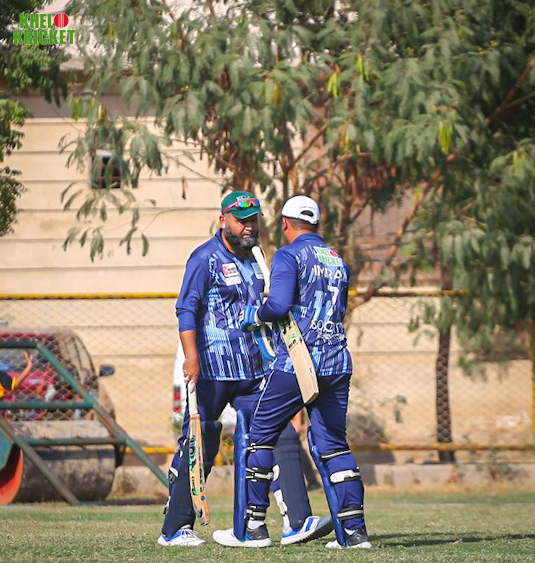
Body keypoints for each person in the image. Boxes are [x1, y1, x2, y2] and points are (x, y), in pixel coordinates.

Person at [158, 191, 331, 547]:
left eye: (253, 220)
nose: (249, 226)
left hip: (254, 369)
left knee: (278, 432)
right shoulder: (204, 258)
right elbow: (186, 309)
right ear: (223, 220)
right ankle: (175, 528)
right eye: (242, 221)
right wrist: (191, 357)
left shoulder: (257, 257)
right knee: (201, 441)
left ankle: (297, 521)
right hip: (212, 370)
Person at [213, 195, 372, 549]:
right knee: (334, 444)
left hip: (298, 363)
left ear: (285, 224)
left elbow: (279, 305)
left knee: (259, 436)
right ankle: (355, 533)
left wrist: (257, 315)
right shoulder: (337, 259)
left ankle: (254, 528)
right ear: (315, 224)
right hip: (337, 362)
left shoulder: (288, 255)